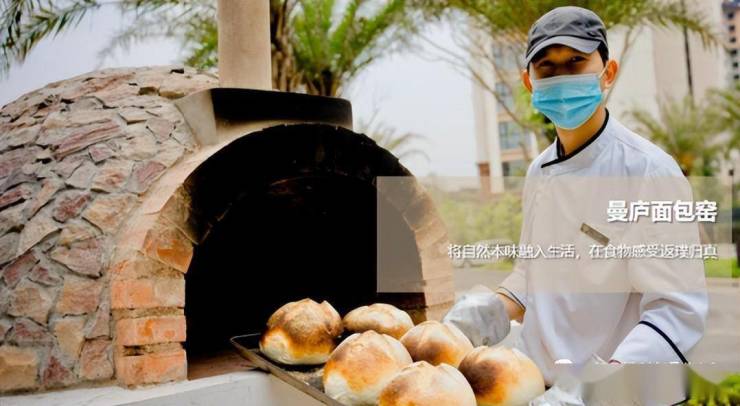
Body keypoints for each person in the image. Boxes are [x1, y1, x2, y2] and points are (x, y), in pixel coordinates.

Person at [443, 6, 708, 388]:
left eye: (575, 61)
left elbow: (674, 313)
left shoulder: (649, 172)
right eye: (547, 67)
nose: (561, 76)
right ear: (529, 82)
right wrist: (485, 314)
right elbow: (534, 273)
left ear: (608, 73)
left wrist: (598, 388)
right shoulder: (538, 172)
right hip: (537, 385)